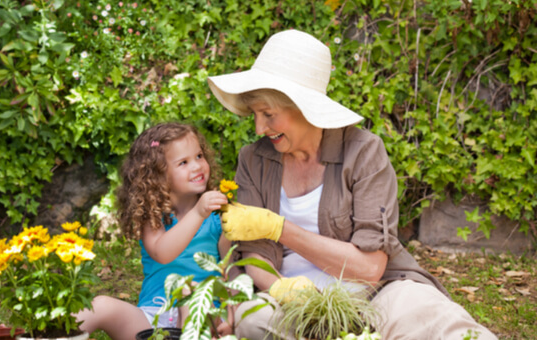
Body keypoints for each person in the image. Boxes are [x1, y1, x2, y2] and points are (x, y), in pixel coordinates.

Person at [207, 29, 498, 340]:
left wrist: (281, 228)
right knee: (255, 321)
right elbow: (255, 257)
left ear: (305, 108)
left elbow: (370, 267)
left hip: (374, 293)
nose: (259, 127)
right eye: (254, 114)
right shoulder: (253, 160)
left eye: (268, 114)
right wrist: (285, 292)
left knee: (440, 320)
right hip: (289, 298)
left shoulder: (364, 152)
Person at [75, 122, 232, 340]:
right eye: (183, 162)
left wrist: (232, 311)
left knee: (193, 293)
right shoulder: (153, 216)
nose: (197, 166)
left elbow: (231, 269)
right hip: (151, 320)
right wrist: (198, 213)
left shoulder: (218, 216)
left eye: (199, 156)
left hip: (202, 316)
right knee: (100, 306)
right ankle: (46, 334)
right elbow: (162, 252)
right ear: (158, 175)